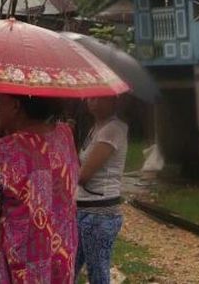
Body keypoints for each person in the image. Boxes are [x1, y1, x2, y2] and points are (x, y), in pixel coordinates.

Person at [0, 95, 79, 283]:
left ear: (15, 106)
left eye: (0, 102)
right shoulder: (65, 136)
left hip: (21, 272)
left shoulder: (1, 152)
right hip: (59, 263)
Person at [75, 96, 129, 284]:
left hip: (99, 213)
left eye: (101, 98)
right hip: (83, 209)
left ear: (114, 101)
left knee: (97, 272)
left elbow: (83, 175)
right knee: (70, 266)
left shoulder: (112, 129)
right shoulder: (96, 128)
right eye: (91, 97)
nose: (93, 101)